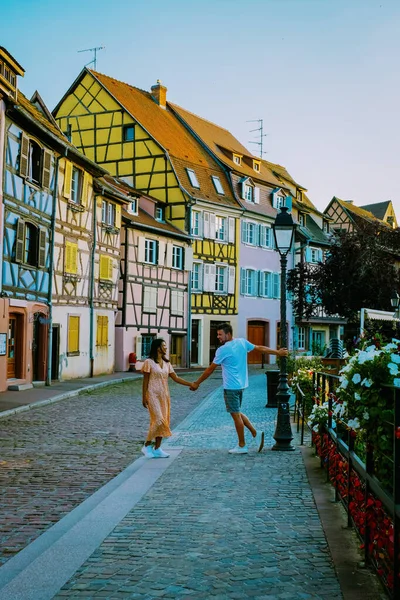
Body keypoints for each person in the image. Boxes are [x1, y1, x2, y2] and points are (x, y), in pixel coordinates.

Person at [189, 323, 288, 454]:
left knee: (235, 415)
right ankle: (255, 433)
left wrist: (197, 383)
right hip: (241, 385)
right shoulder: (242, 342)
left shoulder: (223, 350)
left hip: (231, 386)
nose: (218, 336)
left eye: (220, 334)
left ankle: (242, 445)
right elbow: (259, 348)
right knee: (237, 412)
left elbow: (210, 370)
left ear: (228, 334)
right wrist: (277, 352)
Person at [141, 338, 193, 458]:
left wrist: (190, 384)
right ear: (157, 347)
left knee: (164, 421)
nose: (165, 347)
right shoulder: (149, 362)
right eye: (163, 346)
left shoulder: (167, 363)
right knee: (158, 420)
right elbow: (145, 381)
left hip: (164, 395)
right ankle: (147, 445)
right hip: (152, 394)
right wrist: (144, 397)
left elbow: (176, 378)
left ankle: (158, 448)